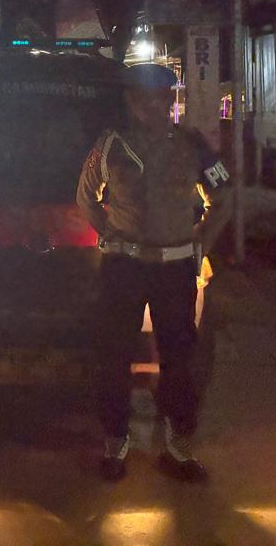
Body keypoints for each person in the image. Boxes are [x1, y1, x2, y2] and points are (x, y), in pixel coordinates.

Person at [76, 62, 231, 482]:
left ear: (170, 101)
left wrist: (201, 243)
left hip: (174, 269)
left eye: (160, 98)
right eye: (142, 99)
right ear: (131, 102)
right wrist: (108, 231)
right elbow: (86, 196)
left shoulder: (194, 146)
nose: (151, 106)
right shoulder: (111, 145)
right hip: (124, 267)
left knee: (179, 359)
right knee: (115, 356)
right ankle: (115, 442)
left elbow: (223, 195)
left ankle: (178, 447)